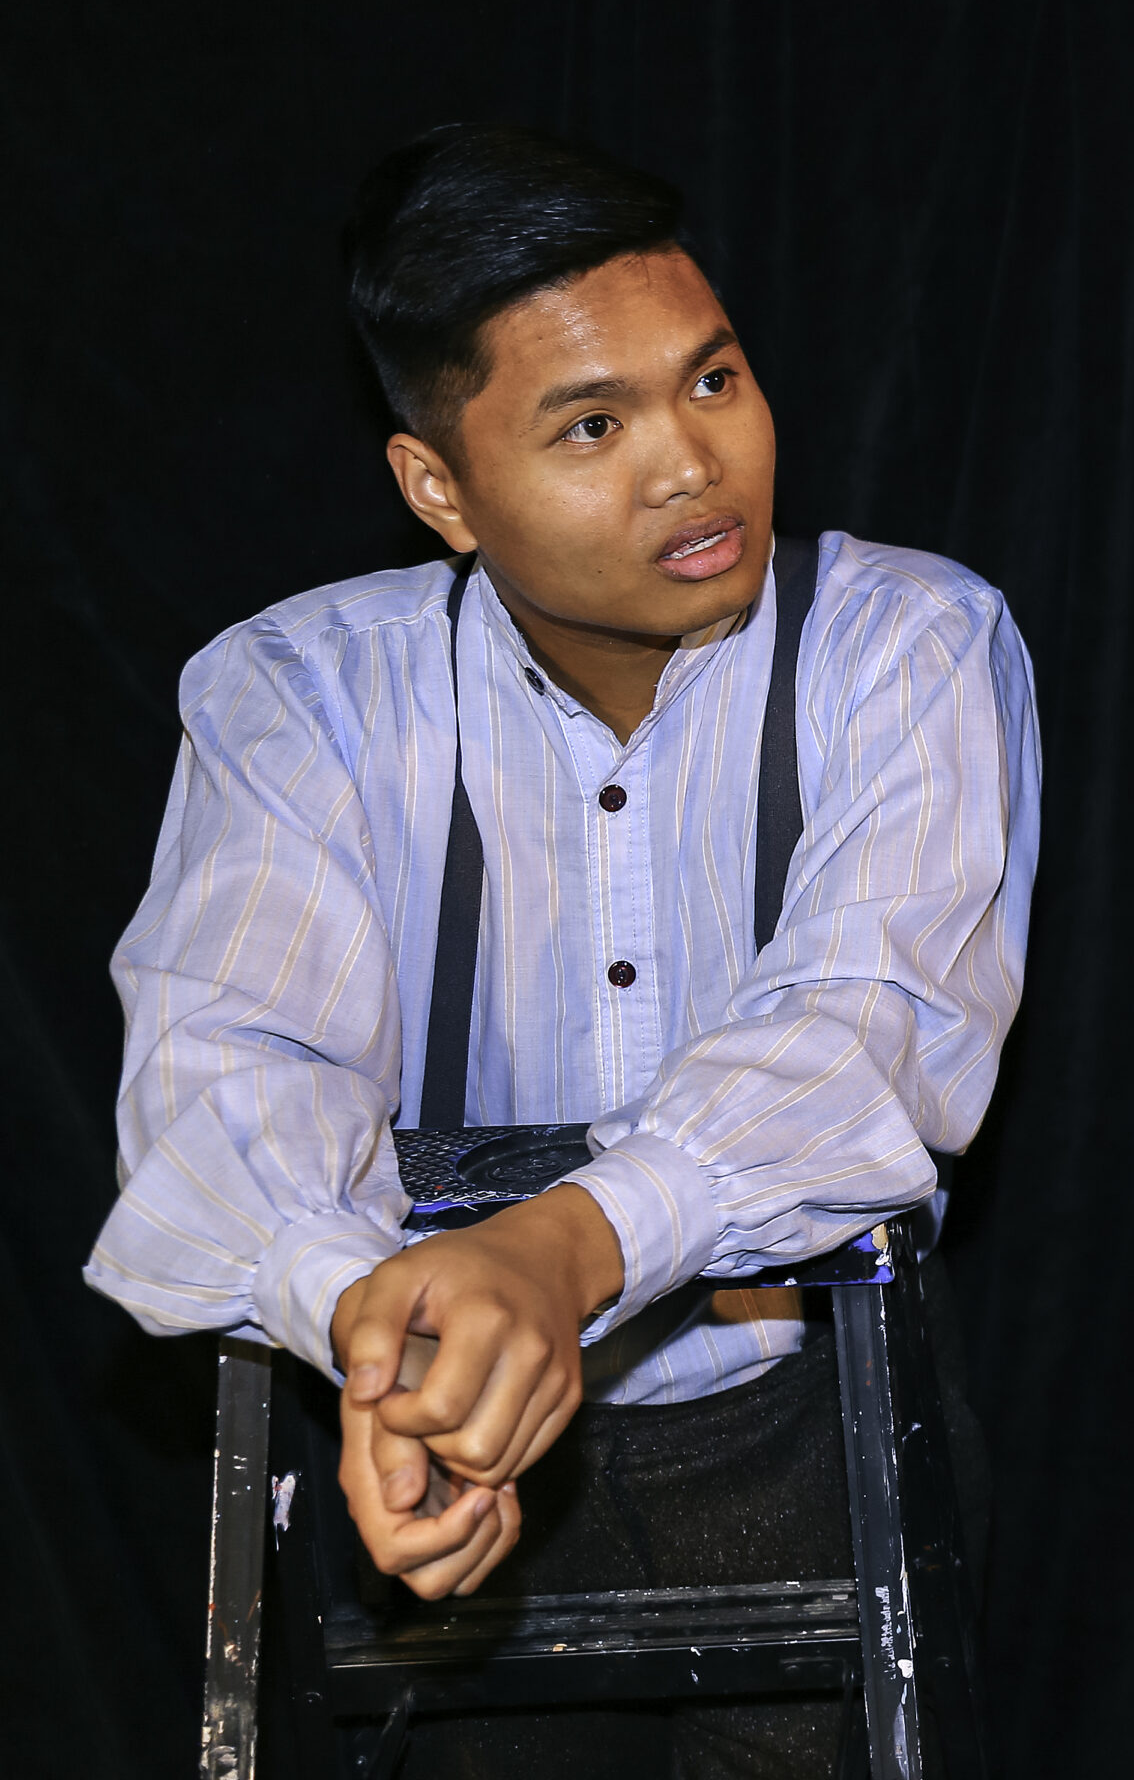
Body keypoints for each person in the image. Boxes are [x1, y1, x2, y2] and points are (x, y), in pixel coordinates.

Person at [83, 124, 1039, 1775]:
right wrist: (384, 1335)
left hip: (806, 1425)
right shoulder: (305, 691)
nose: (690, 464)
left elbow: (866, 1029)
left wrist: (561, 1251)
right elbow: (225, 1080)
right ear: (438, 489)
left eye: (715, 380)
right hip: (438, 1446)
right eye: (594, 425)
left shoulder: (905, 641)